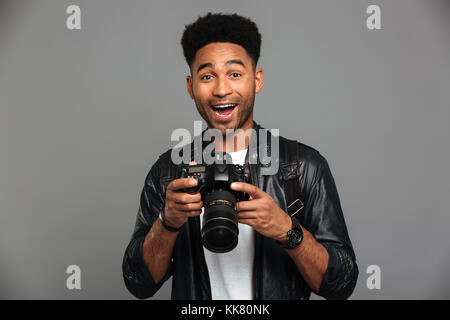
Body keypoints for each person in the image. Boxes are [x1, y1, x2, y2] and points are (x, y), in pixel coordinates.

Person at [122, 12, 358, 300]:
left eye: (235, 74)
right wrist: (167, 222)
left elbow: (341, 283)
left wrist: (287, 230)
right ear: (190, 87)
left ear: (256, 80)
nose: (222, 90)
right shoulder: (170, 172)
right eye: (207, 76)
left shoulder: (300, 168)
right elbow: (139, 283)